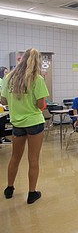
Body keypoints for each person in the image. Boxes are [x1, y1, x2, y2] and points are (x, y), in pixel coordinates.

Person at [2, 48, 49, 204]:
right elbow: (40, 104)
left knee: (15, 157)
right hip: (34, 122)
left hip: (17, 123)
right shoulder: (37, 79)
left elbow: (3, 101)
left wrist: (17, 103)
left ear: (21, 60)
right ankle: (31, 193)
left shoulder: (8, 77)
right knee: (33, 159)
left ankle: (9, 189)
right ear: (37, 62)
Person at [0, 66, 11, 144]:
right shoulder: (1, 80)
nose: (7, 74)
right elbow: (2, 93)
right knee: (2, 120)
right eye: (5, 72)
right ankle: (2, 138)